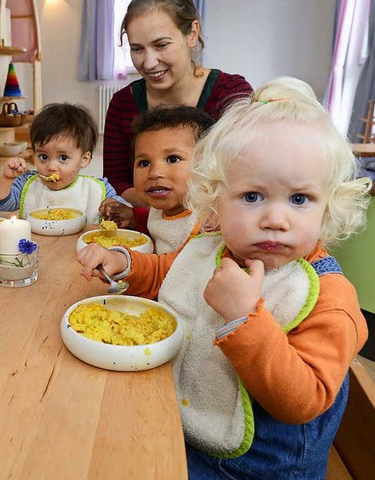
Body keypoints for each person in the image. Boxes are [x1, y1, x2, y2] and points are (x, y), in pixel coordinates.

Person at [78, 77, 371, 478]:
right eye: (251, 197)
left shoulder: (328, 296)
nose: (274, 219)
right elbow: (170, 273)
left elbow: (306, 399)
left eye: (299, 199)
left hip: (256, 467)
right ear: (216, 198)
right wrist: (124, 262)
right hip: (186, 422)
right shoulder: (211, 243)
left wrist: (245, 318)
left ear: (329, 206)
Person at [104, 0, 253, 206]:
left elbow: (246, 180)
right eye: (137, 49)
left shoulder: (230, 95)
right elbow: (116, 183)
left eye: (161, 45)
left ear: (192, 34)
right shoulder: (123, 103)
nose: (149, 63)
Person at [0, 103, 130, 223]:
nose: (51, 167)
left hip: (80, 252)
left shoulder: (97, 189)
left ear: (84, 159)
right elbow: (1, 203)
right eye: (43, 156)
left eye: (63, 158)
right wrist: (5, 178)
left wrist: (114, 209)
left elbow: (124, 209)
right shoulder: (27, 183)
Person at [101, 105, 214, 253]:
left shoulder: (208, 224)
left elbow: (177, 265)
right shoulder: (166, 207)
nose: (154, 173)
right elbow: (161, 224)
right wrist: (134, 217)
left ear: (206, 165)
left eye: (173, 159)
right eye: (144, 163)